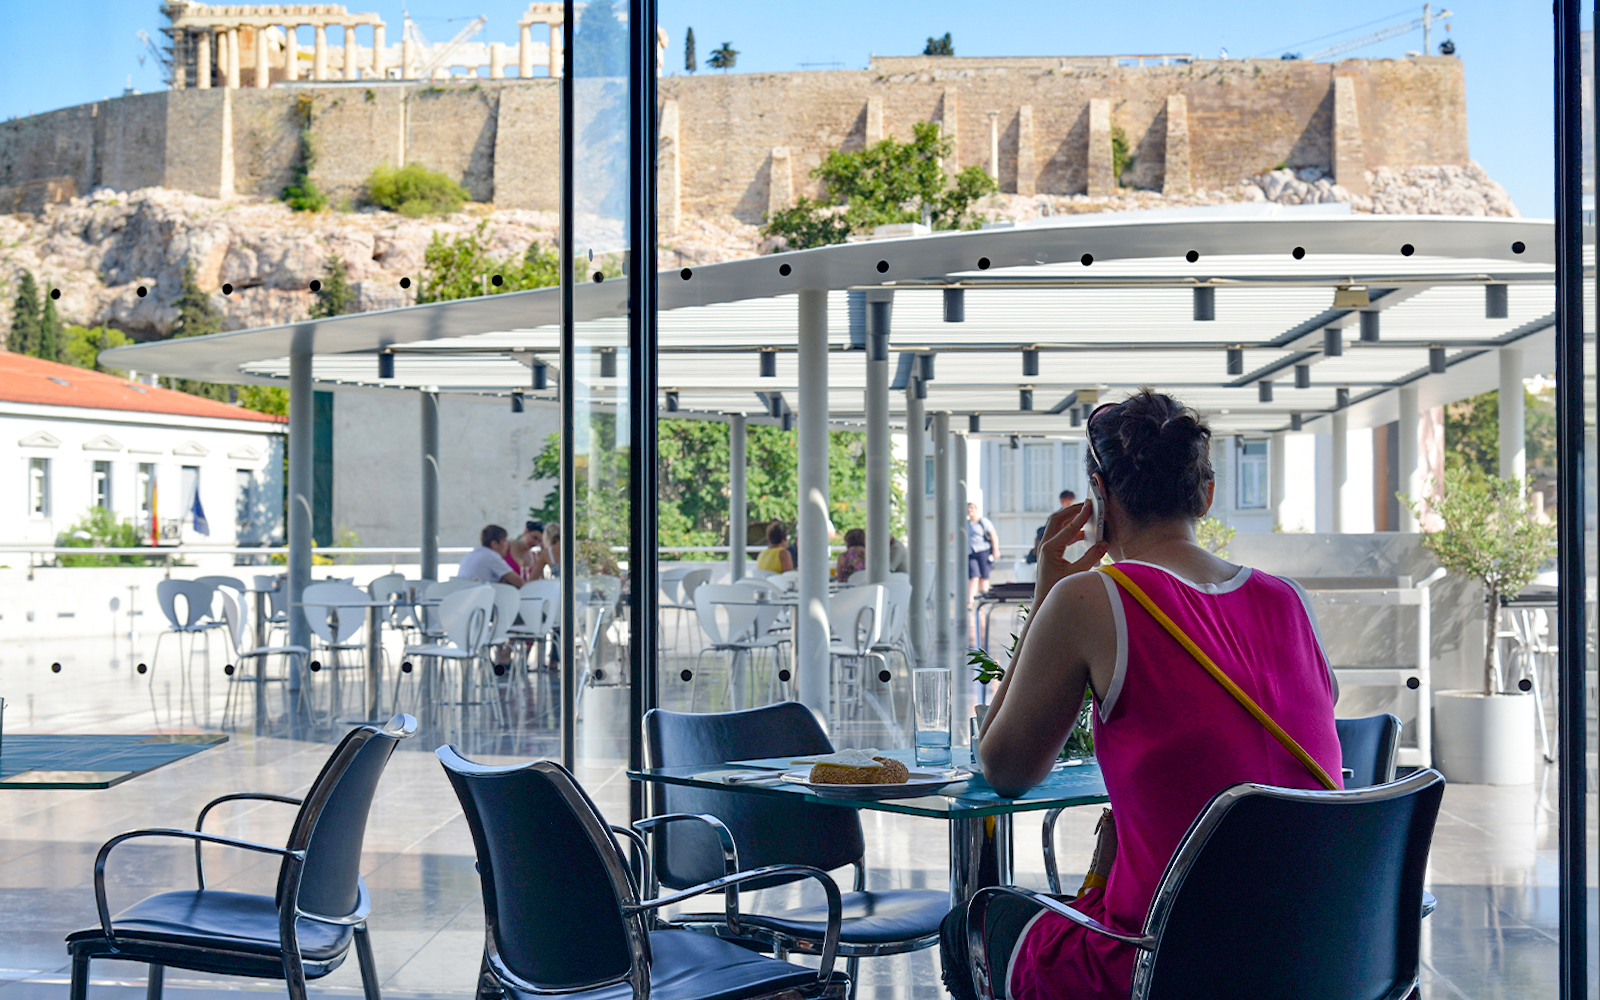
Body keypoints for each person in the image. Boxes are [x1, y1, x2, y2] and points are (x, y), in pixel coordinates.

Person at [942, 389, 1341, 1000]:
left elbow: (1005, 770)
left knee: (965, 926)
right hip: (1313, 952)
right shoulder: (1289, 601)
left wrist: (1049, 592)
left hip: (1171, 959)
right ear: (1205, 494)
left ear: (1099, 498)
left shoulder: (1091, 599)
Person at [457, 525, 528, 587]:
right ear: (494, 544)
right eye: (504, 541)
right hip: (482, 597)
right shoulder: (491, 556)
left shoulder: (470, 554)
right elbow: (519, 582)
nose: (507, 545)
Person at [1027, 490, 1076, 564]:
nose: (1070, 503)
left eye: (1071, 500)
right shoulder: (1056, 516)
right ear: (1062, 500)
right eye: (1068, 500)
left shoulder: (1072, 515)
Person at [966, 503, 999, 606]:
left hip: (983, 551)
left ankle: (983, 600)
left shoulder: (983, 522)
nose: (970, 510)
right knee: (973, 575)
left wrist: (995, 550)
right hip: (971, 552)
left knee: (984, 577)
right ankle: (970, 601)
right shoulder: (966, 523)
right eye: (968, 508)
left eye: (972, 508)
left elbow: (993, 535)